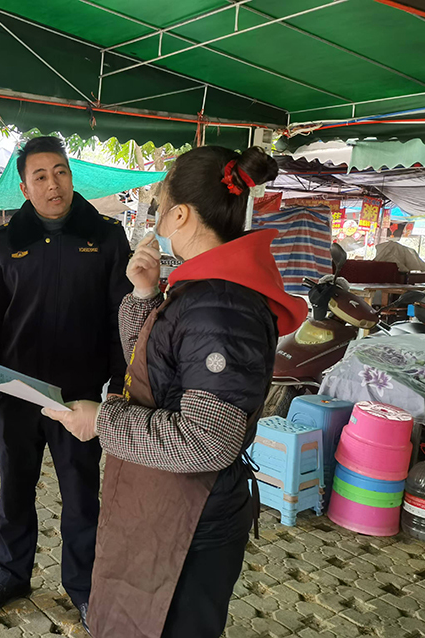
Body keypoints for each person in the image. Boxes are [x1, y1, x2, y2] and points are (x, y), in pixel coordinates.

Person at [46, 145, 308, 638]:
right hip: (164, 498)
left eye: (158, 206)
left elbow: (206, 441)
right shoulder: (203, 289)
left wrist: (100, 420)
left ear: (180, 215)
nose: (155, 218)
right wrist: (145, 293)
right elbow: (152, 367)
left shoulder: (222, 307)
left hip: (191, 515)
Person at [0, 136, 131, 627]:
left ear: (71, 177)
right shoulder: (6, 240)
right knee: (15, 488)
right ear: (24, 187)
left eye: (60, 172)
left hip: (80, 396)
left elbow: (123, 317)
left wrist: (119, 387)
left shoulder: (105, 236)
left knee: (80, 495)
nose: (52, 184)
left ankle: (82, 586)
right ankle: (11, 573)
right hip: (18, 390)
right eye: (39, 176)